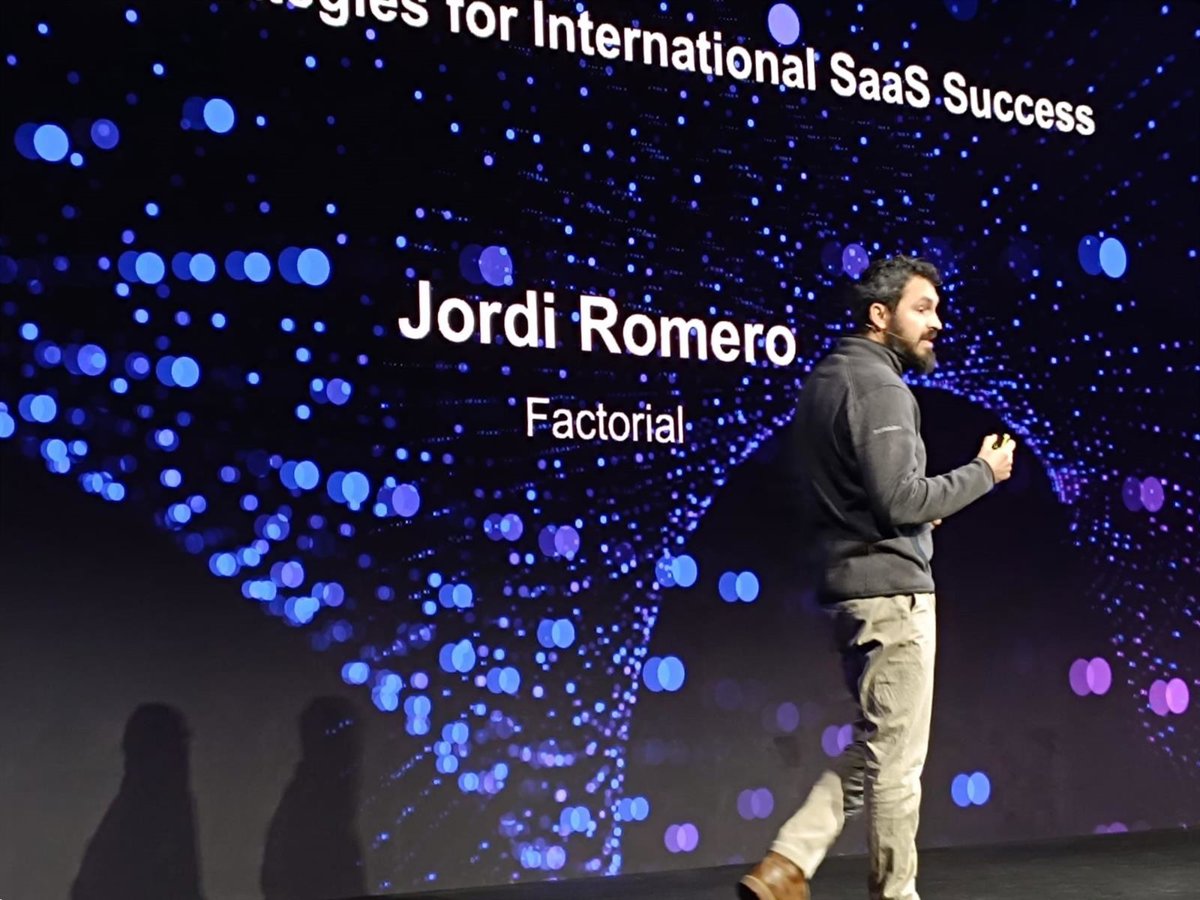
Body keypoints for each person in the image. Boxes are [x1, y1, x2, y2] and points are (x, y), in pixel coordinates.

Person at [737, 255, 1017, 900]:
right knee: (898, 764)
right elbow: (898, 499)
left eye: (937, 309)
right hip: (891, 595)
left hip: (848, 588)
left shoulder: (824, 380)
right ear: (879, 315)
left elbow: (857, 497)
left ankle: (786, 865)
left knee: (878, 747)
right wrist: (983, 473)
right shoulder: (880, 386)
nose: (936, 323)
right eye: (922, 308)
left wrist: (911, 518)